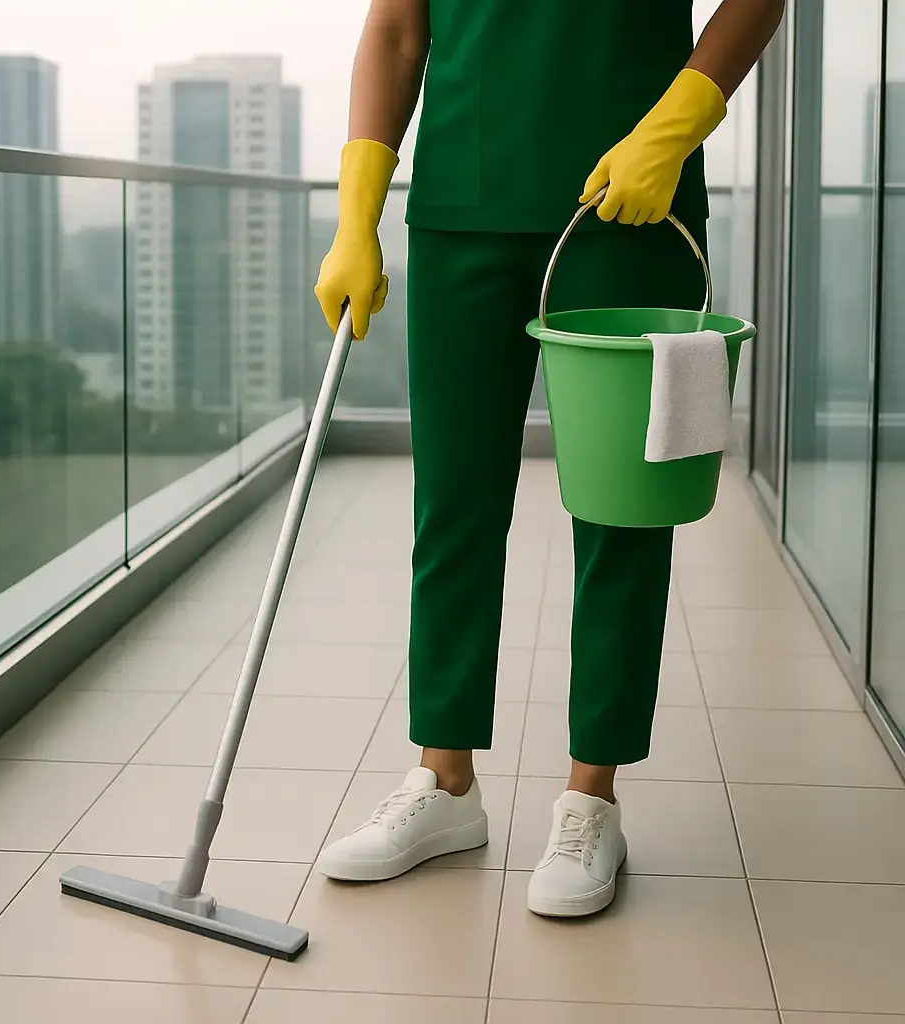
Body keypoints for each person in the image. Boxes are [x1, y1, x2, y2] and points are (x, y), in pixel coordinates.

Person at [314, 0, 785, 917]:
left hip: (632, 206)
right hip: (461, 210)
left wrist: (676, 125)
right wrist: (357, 213)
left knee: (623, 512)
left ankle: (590, 799)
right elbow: (397, 28)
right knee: (453, 504)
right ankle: (445, 786)